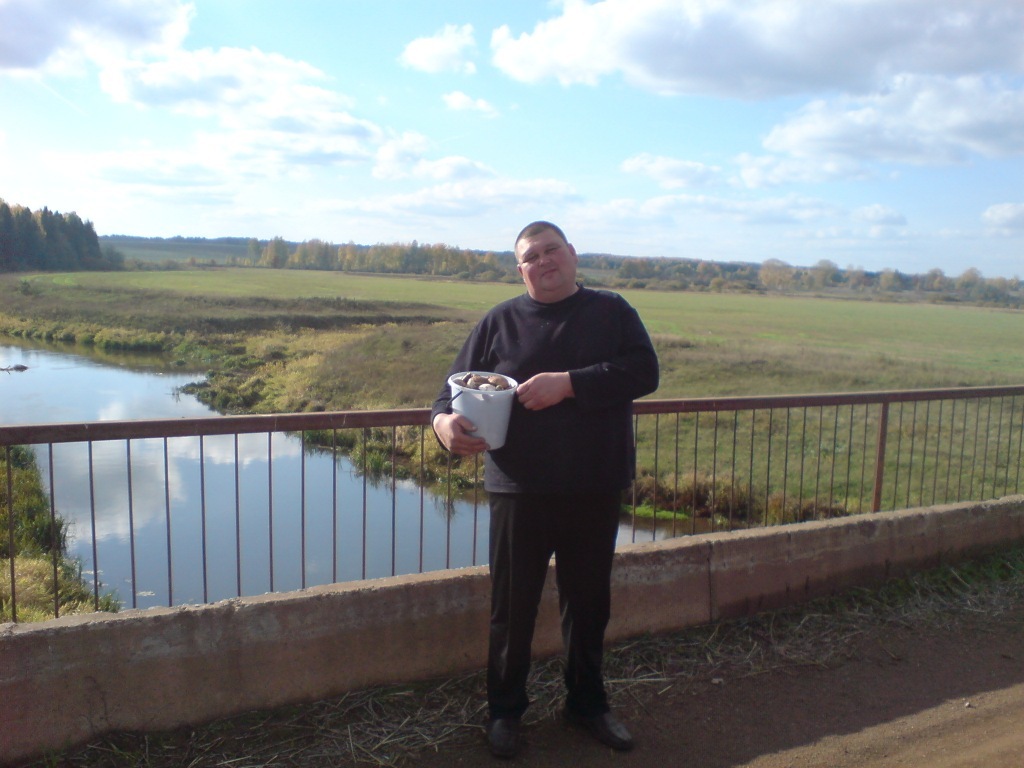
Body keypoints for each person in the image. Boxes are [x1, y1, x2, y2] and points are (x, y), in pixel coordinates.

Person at [431, 221, 660, 758]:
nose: (544, 261)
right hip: (518, 488)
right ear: (521, 270)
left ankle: (587, 705)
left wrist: (570, 383)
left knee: (589, 603)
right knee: (512, 608)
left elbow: (644, 372)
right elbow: (448, 392)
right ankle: (505, 712)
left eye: (551, 250)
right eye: (531, 257)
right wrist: (443, 425)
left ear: (572, 254)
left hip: (593, 484)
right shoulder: (499, 322)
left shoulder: (612, 311)